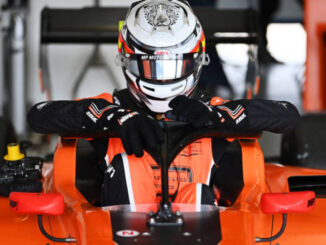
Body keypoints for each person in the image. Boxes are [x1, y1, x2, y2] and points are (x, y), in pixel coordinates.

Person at [27, 0, 299, 207]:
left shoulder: (209, 109)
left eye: (173, 66)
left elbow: (288, 115)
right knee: (127, 167)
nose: (162, 79)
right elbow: (40, 115)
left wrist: (219, 117)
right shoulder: (111, 107)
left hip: (203, 224)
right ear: (126, 61)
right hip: (115, 227)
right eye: (150, 67)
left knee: (198, 192)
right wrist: (116, 117)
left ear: (197, 61)